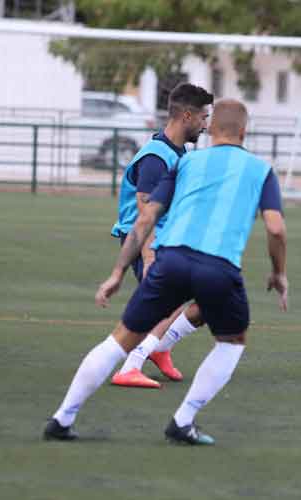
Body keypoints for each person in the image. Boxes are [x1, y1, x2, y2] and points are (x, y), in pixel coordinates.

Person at [43, 98, 288, 445]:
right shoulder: (261, 170)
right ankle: (183, 419)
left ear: (212, 128)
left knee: (120, 339)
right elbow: (276, 229)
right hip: (218, 268)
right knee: (232, 341)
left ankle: (62, 417)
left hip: (171, 260)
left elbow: (145, 218)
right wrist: (279, 274)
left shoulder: (187, 162)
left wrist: (117, 272)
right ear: (244, 132)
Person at [107, 83, 213, 389]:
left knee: (212, 296)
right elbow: (146, 215)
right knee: (166, 302)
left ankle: (161, 347)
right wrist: (150, 259)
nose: (206, 125)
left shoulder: (179, 153)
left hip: (171, 238)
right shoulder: (155, 157)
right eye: (203, 117)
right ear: (187, 116)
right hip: (146, 242)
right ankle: (131, 365)